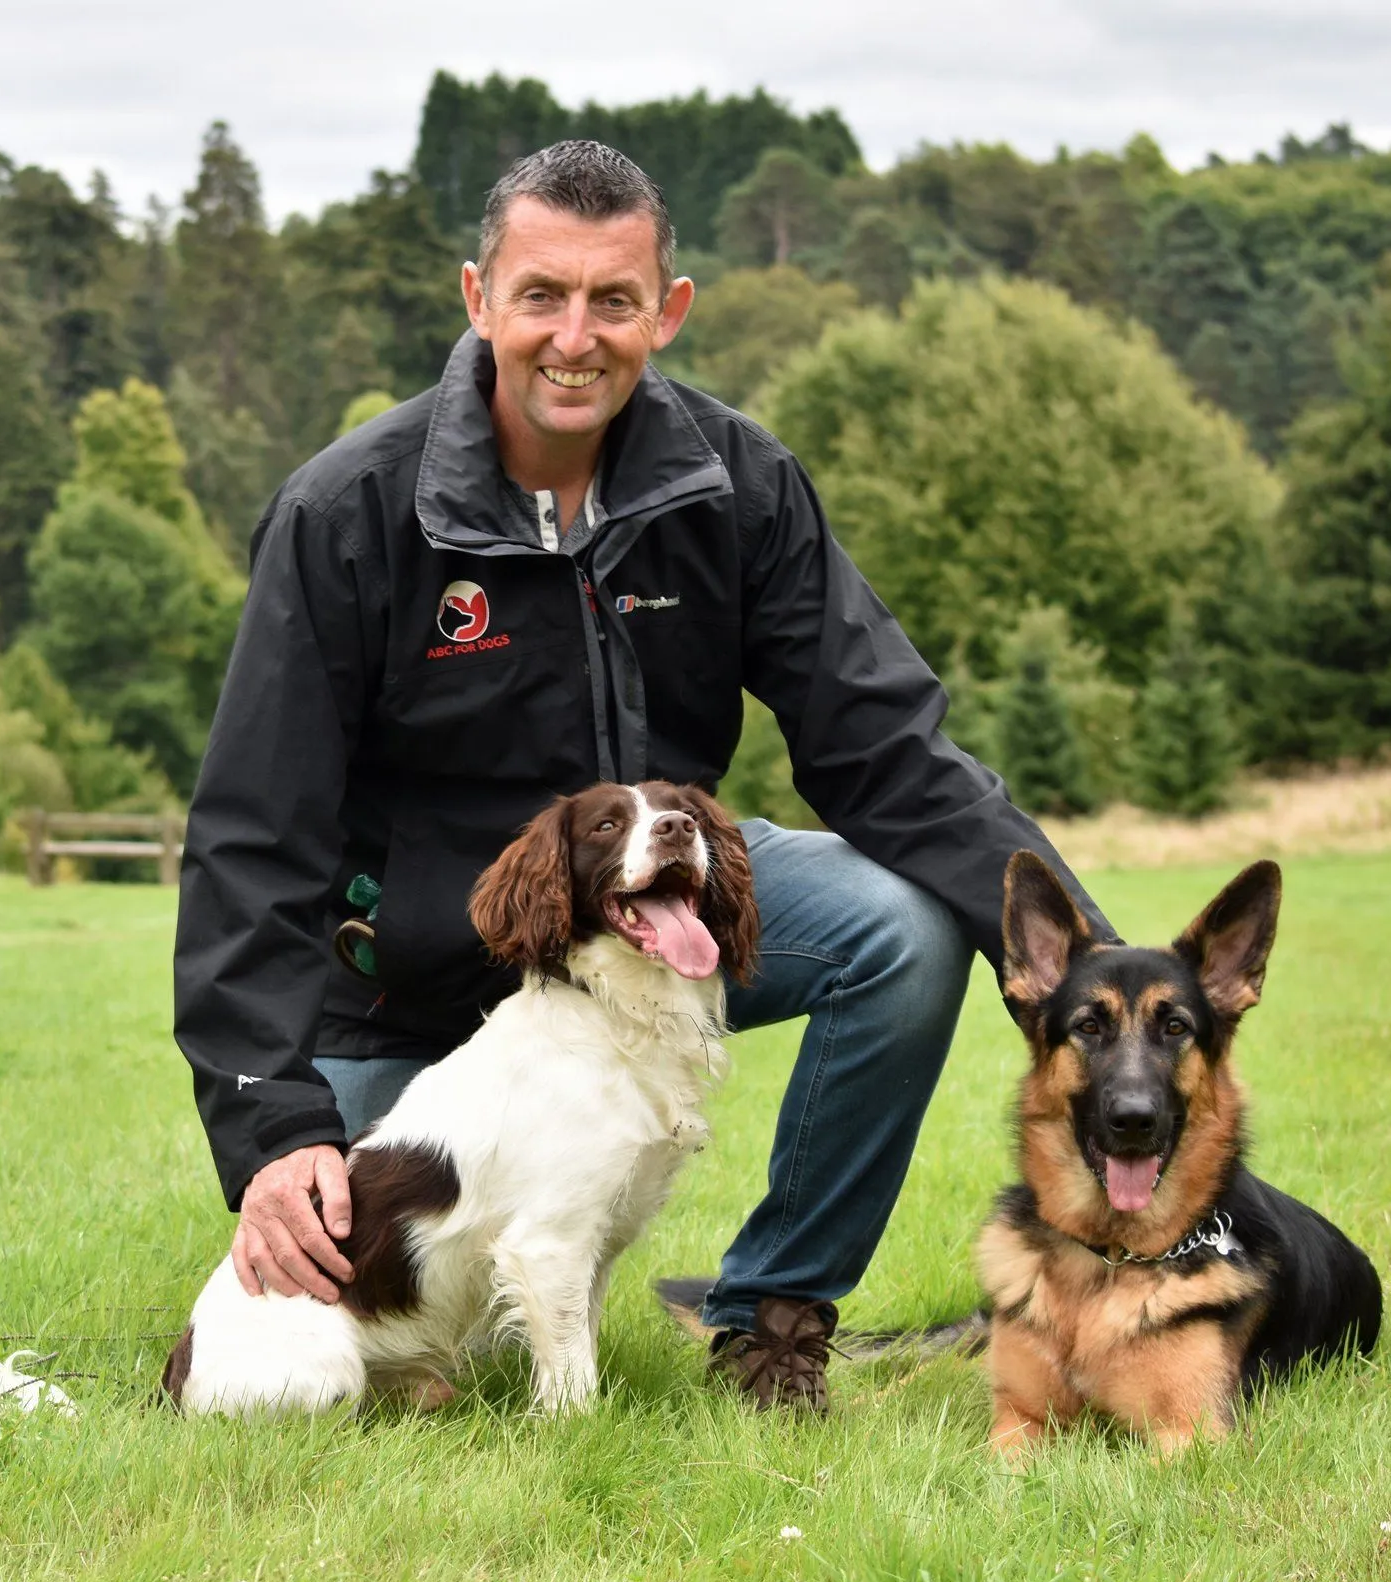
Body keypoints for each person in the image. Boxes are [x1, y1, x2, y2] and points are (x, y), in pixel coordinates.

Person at [173, 140, 1112, 1414]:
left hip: (648, 918)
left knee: (896, 930)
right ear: (477, 299)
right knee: (364, 1294)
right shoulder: (345, 513)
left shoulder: (740, 486)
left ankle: (771, 1323)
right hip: (404, 994)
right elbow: (251, 837)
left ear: (665, 311)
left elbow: (888, 751)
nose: (575, 336)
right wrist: (272, 1129)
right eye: (541, 295)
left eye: (613, 300)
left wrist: (1093, 965)